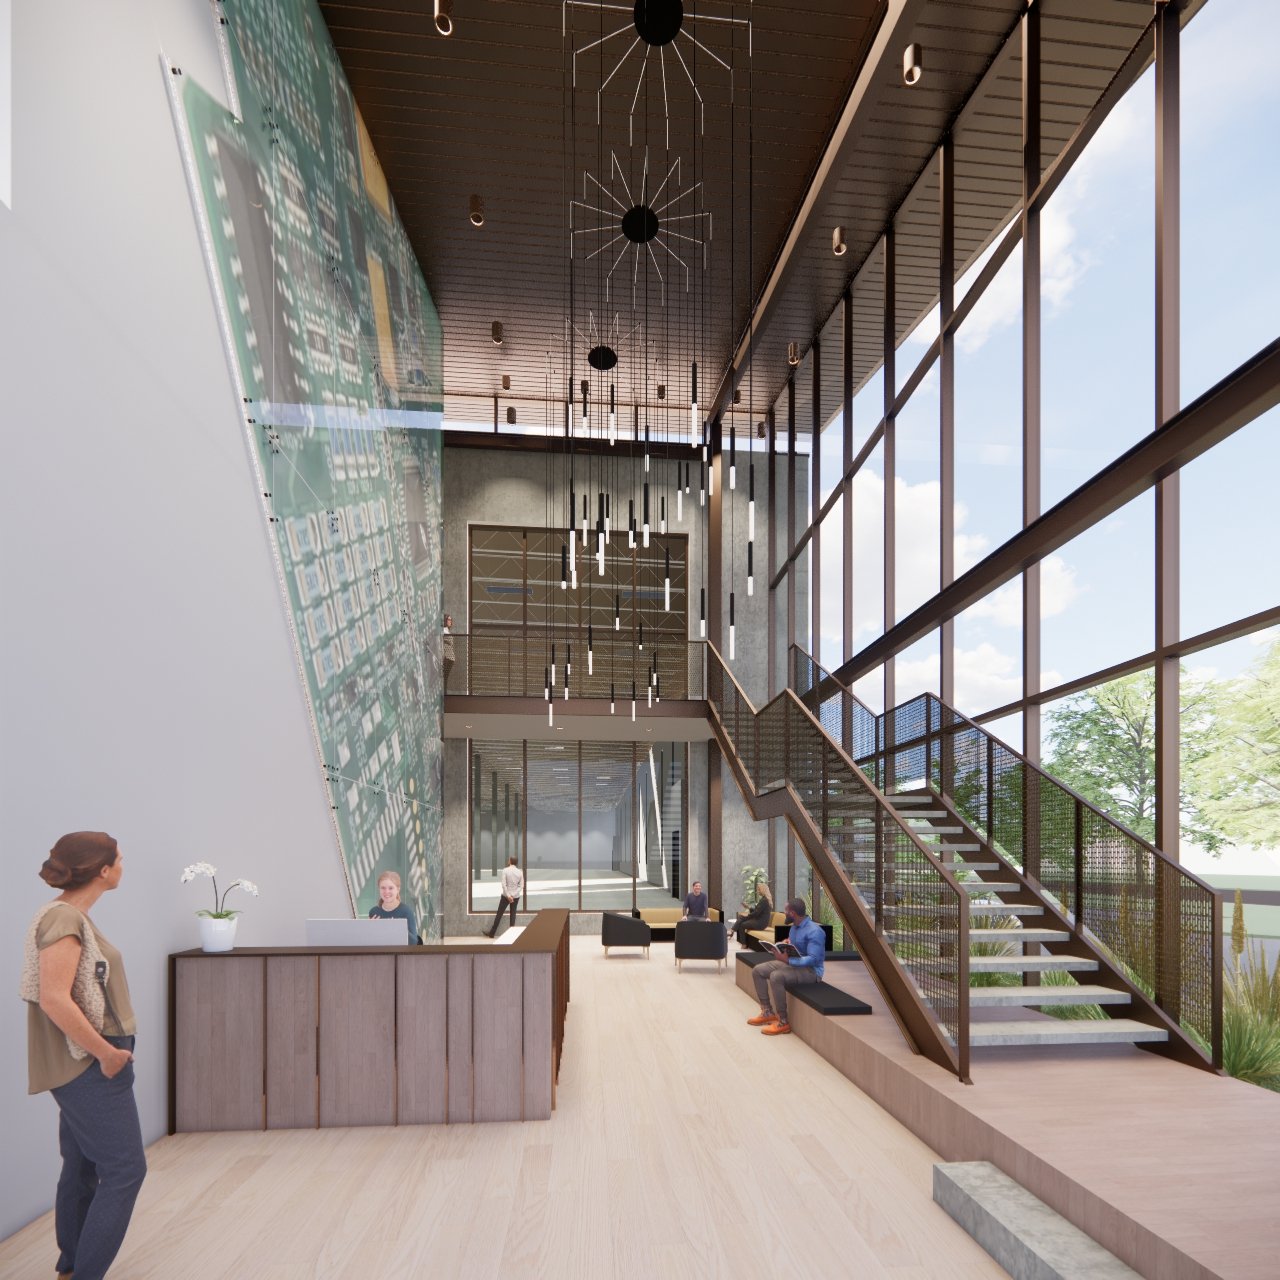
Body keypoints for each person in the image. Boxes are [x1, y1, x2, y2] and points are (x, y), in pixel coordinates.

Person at [20, 832, 146, 1280]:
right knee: (126, 1169)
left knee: (81, 1166)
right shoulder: (64, 921)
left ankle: (72, 1266)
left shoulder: (70, 916)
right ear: (103, 871)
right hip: (89, 1064)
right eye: (120, 858)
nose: (124, 863)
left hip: (85, 1061)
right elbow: (55, 999)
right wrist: (107, 1055)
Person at [747, 897, 825, 1036]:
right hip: (794, 964)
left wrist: (788, 961)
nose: (784, 913)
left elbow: (813, 959)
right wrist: (785, 944)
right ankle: (767, 1012)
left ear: (793, 913)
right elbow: (797, 948)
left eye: (785, 911)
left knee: (776, 976)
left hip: (811, 972)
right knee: (758, 971)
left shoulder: (815, 931)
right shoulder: (794, 927)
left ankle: (783, 1021)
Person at [368, 870, 418, 943]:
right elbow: (369, 941)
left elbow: (414, 942)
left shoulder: (406, 911)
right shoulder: (374, 912)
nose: (386, 892)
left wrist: (398, 928)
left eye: (391, 888)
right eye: (383, 888)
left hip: (398, 953)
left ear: (398, 889)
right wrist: (369, 929)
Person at [485, 855, 523, 938]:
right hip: (515, 897)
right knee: (513, 915)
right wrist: (513, 895)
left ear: (510, 861)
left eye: (508, 859)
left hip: (506, 896)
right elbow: (521, 886)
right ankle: (512, 935)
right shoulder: (520, 872)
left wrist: (508, 895)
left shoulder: (505, 870)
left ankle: (492, 933)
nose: (508, 860)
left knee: (499, 914)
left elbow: (503, 884)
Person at [733, 876, 773, 948]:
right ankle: (733, 931)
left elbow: (756, 913)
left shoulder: (764, 900)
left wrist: (748, 916)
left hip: (760, 923)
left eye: (759, 890)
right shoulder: (764, 899)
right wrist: (748, 907)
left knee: (742, 924)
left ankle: (743, 943)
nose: (757, 891)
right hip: (759, 920)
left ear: (763, 890)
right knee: (741, 917)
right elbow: (757, 911)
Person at [441, 613, 455, 690]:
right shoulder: (443, 631)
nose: (450, 621)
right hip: (447, 656)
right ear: (445, 620)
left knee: (445, 677)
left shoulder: (447, 631)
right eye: (449, 619)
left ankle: (444, 691)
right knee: (444, 677)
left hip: (450, 657)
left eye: (451, 620)